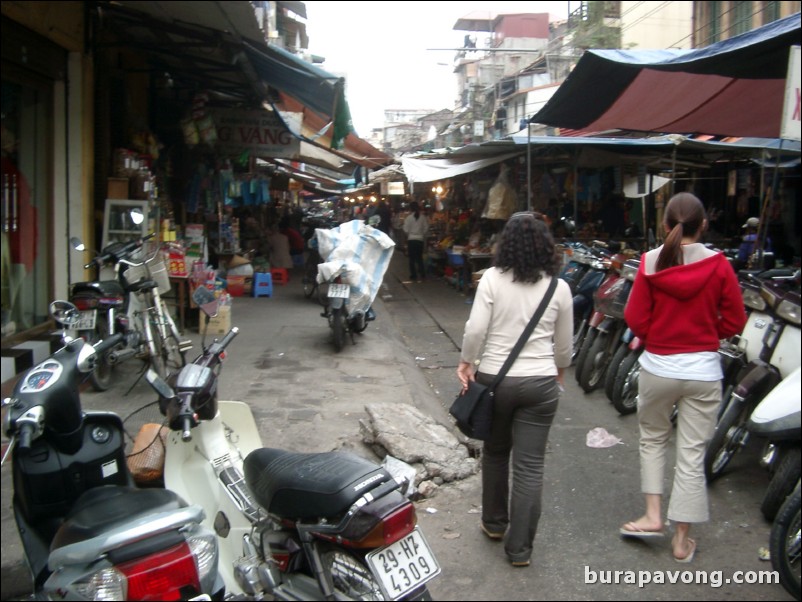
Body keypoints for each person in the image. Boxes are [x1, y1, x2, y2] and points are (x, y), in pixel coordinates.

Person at [620, 193, 746, 563]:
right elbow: (735, 320)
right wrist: (708, 333)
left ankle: (652, 516)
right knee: (691, 453)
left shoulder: (650, 262)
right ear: (703, 225)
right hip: (703, 372)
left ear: (665, 225)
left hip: (658, 367)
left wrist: (659, 336)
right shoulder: (720, 265)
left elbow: (635, 318)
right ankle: (681, 540)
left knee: (653, 440)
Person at [457, 212, 573, 567]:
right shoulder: (559, 287)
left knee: (495, 452)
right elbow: (564, 345)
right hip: (540, 383)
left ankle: (494, 523)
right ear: (546, 247)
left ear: (505, 243)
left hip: (495, 380)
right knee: (530, 466)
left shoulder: (491, 279)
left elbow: (476, 330)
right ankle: (519, 549)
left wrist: (467, 362)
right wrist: (559, 371)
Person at [402, 201, 429, 282]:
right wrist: (421, 233)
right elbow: (426, 228)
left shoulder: (408, 218)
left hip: (411, 239)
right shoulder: (423, 217)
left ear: (410, 208)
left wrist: (409, 234)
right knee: (419, 258)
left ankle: (414, 275)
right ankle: (422, 274)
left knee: (412, 259)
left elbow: (405, 229)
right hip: (420, 240)